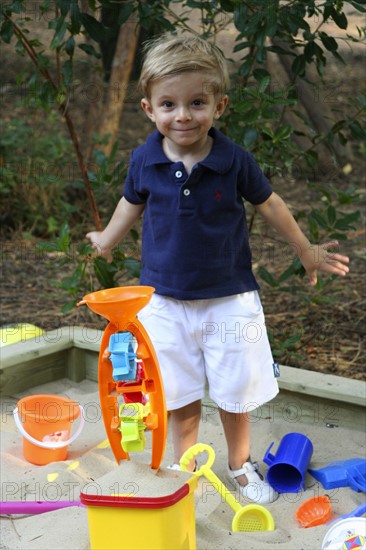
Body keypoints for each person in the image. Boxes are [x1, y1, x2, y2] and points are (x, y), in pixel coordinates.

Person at [86, 34, 350, 504]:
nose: (182, 115)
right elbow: (130, 204)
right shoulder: (144, 159)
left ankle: (239, 465)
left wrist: (305, 248)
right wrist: (106, 240)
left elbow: (270, 204)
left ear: (219, 105)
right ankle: (187, 465)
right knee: (179, 390)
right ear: (149, 109)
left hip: (229, 298)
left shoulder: (234, 161)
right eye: (169, 104)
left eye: (197, 102)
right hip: (164, 300)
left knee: (235, 391)